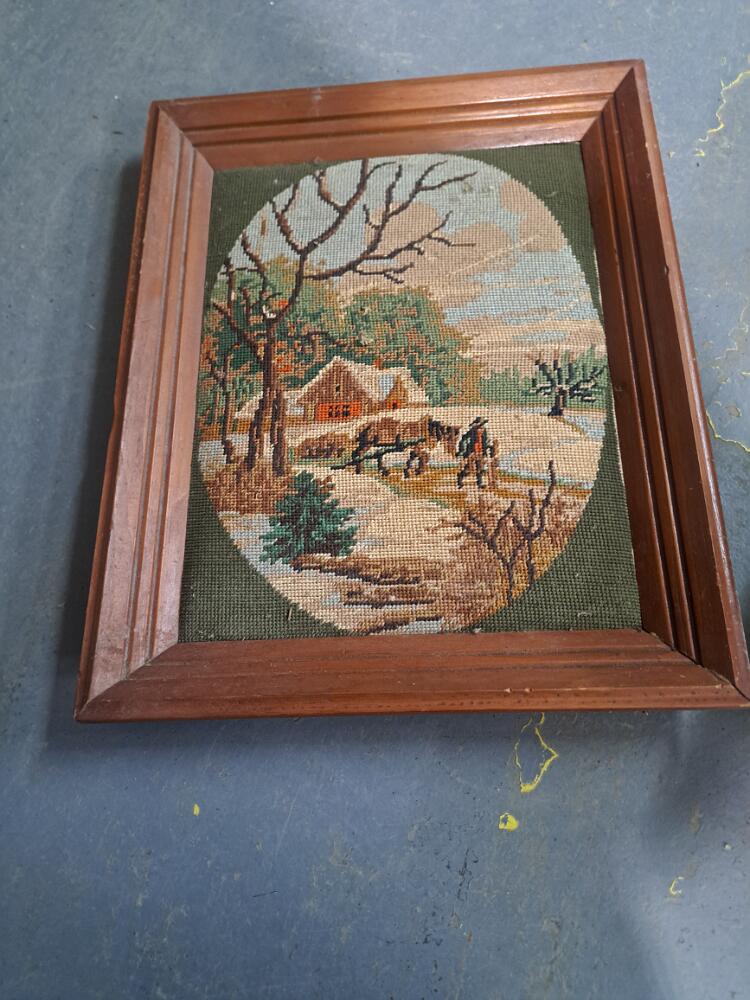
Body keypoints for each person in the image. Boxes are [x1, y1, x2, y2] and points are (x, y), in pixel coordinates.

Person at [457, 417, 492, 489]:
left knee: (480, 467)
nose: (481, 428)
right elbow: (463, 440)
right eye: (480, 426)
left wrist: (487, 449)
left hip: (480, 451)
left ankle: (480, 483)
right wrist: (462, 450)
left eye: (482, 426)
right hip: (472, 452)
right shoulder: (472, 431)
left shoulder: (485, 432)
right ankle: (460, 478)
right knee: (468, 469)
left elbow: (487, 442)